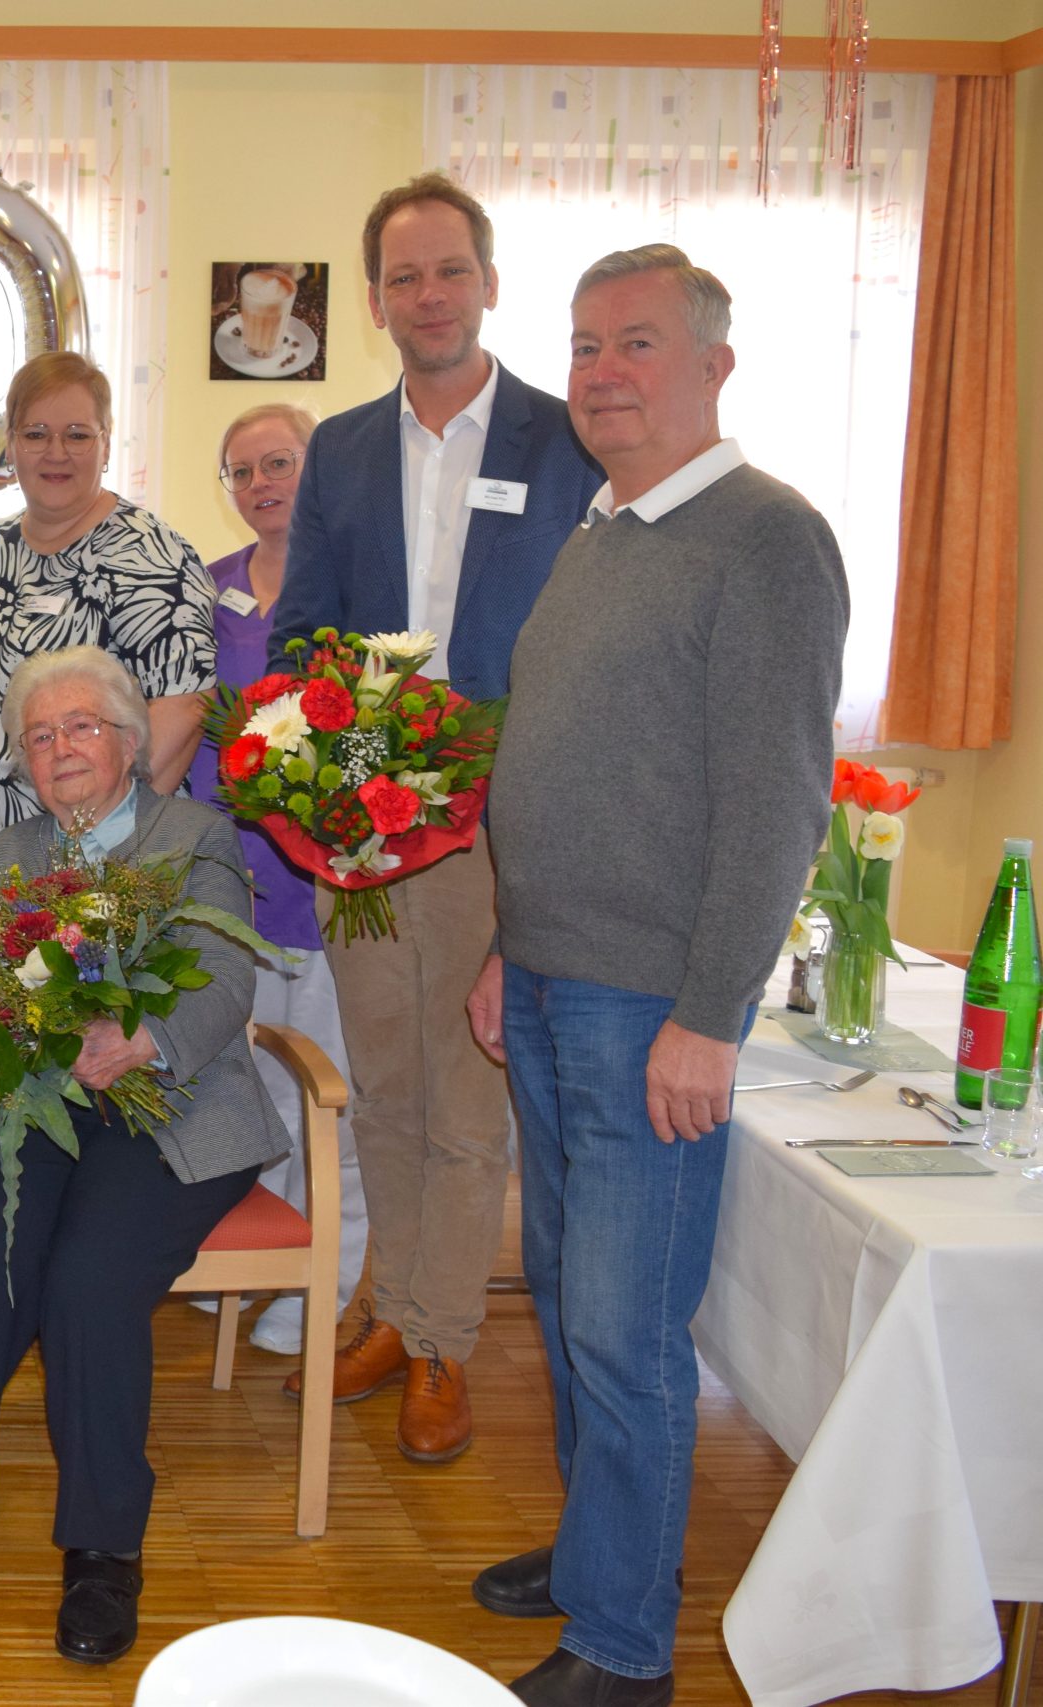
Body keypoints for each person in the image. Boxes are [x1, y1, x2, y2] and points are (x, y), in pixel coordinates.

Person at [466, 246, 845, 1707]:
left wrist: (709, 1013)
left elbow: (777, 803)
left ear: (713, 366)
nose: (600, 372)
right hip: (552, 981)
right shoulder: (601, 532)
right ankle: (598, 1556)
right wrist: (506, 944)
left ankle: (624, 1647)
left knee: (626, 1332)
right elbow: (559, 766)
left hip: (647, 1009)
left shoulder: (768, 538)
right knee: (573, 1301)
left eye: (634, 343)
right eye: (582, 346)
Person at [268, 172, 599, 1462]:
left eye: (449, 270)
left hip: (504, 827)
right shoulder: (344, 449)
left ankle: (442, 1342)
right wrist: (336, 768)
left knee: (468, 1101)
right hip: (365, 820)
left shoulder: (565, 441)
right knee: (387, 1088)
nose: (429, 295)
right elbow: (301, 634)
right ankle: (394, 1305)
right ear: (373, 301)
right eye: (403, 277)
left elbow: (587, 649)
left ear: (490, 283)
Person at [0, 644, 283, 1667]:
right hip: (41, 1101)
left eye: (81, 727)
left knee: (90, 1276)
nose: (61, 747)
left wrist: (142, 1039)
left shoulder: (194, 835)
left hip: (170, 1105)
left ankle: (104, 1550)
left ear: (128, 741)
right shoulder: (11, 852)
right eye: (40, 735)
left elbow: (223, 976)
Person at [185, 404, 369, 1355]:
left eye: (280, 462)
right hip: (233, 886)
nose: (260, 483)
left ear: (318, 464)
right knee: (250, 1092)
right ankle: (255, 1261)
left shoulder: (359, 578)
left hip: (335, 890)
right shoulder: (206, 588)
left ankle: (326, 1291)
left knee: (330, 1097)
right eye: (241, 470)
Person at [0, 351, 216, 866]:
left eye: (78, 435)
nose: (56, 452)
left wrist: (95, 848)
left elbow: (186, 707)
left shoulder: (152, 552)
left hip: (105, 866)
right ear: (11, 444)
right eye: (36, 433)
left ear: (106, 443)